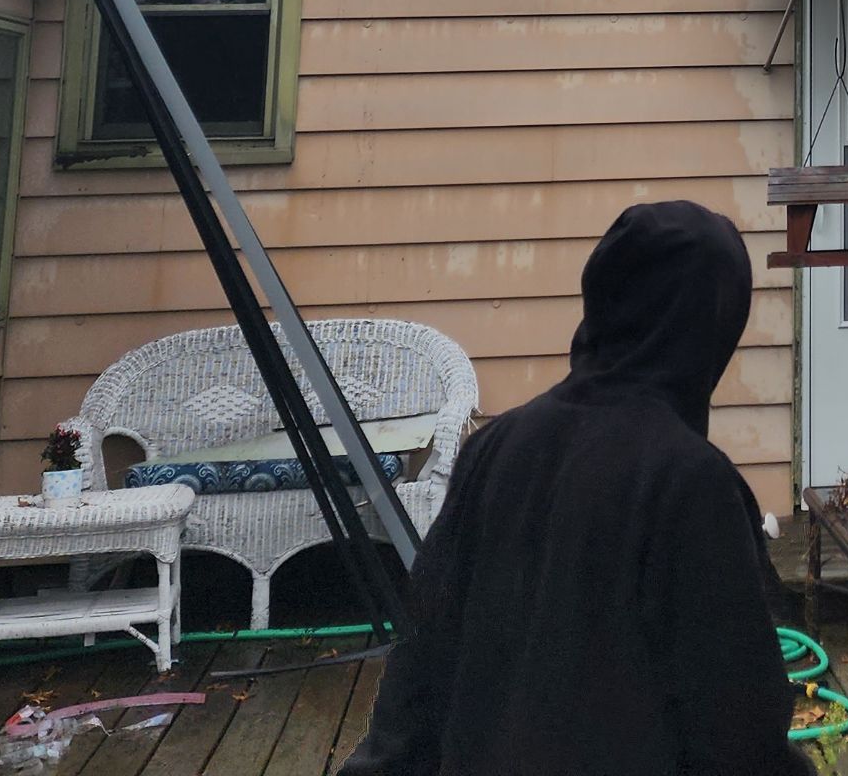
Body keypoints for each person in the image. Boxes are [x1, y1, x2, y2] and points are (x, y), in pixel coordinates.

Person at [340, 200, 807, 776]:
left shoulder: (496, 447)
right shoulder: (692, 483)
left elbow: (421, 671)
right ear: (709, 327)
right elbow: (738, 725)